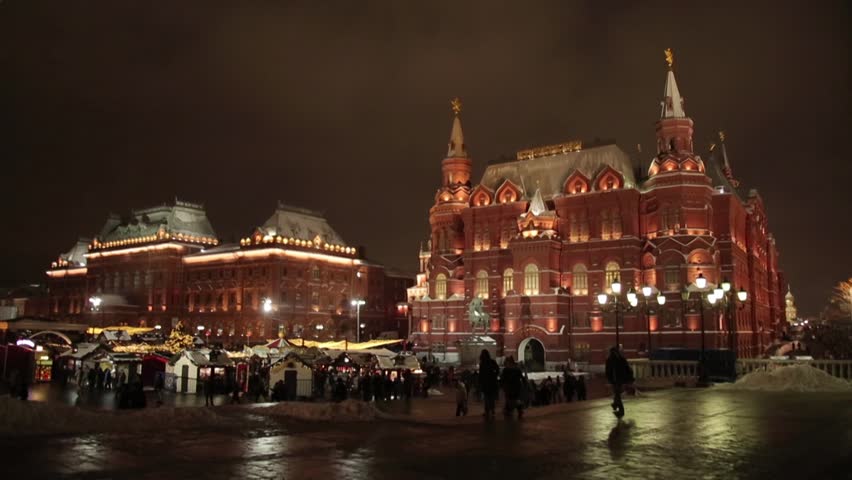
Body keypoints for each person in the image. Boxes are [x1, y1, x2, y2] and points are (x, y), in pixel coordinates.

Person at [605, 346, 634, 418]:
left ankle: (620, 411)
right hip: (620, 379)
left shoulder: (610, 359)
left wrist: (609, 379)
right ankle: (615, 405)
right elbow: (628, 368)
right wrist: (630, 378)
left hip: (615, 380)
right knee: (617, 394)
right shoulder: (621, 358)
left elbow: (608, 371)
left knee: (617, 394)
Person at [478, 349, 499, 419]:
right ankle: (492, 410)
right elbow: (497, 369)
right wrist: (495, 375)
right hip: (492, 382)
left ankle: (487, 410)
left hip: (485, 383)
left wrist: (480, 382)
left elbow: (480, 374)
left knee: (487, 397)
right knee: (491, 397)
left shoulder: (482, 363)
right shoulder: (492, 361)